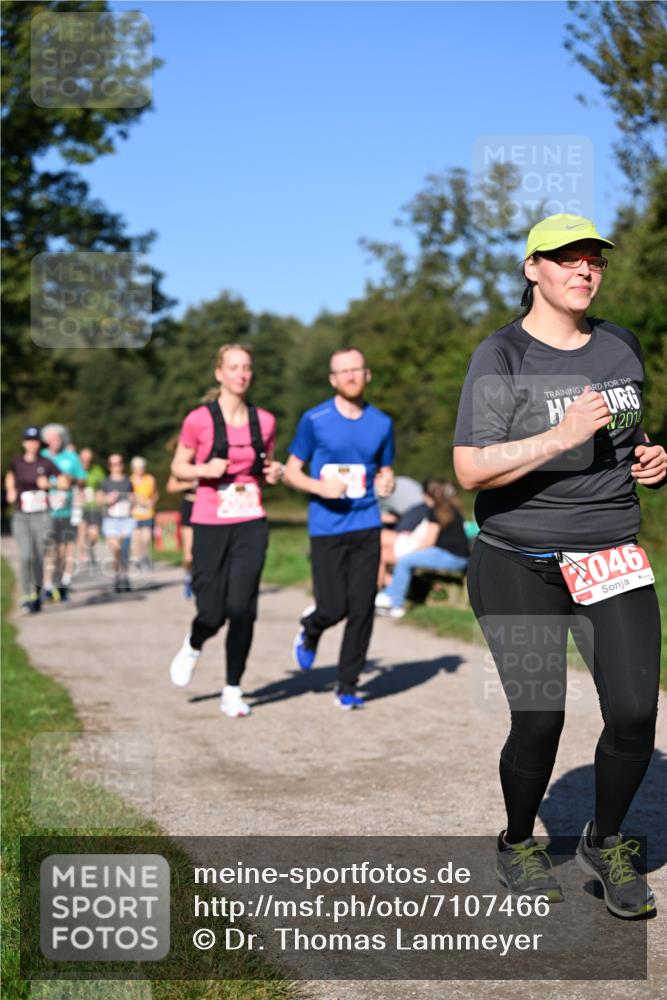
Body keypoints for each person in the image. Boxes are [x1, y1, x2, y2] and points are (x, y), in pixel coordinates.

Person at [453, 213, 665, 917]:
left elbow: (626, 436)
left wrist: (650, 457)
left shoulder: (618, 346)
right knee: (540, 715)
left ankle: (605, 842)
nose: (583, 270)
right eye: (566, 258)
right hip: (519, 559)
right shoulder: (502, 356)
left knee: (635, 713)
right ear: (531, 269)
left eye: (592, 261)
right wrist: (557, 435)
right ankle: (517, 841)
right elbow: (470, 468)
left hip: (608, 552)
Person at [168, 344, 283, 717]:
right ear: (219, 373)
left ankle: (233, 689)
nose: (241, 374)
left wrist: (273, 473)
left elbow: (265, 468)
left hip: (250, 521)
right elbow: (178, 468)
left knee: (243, 608)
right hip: (209, 521)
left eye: (247, 367)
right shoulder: (198, 420)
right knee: (213, 612)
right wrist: (203, 470)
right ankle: (194, 641)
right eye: (234, 367)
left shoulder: (264, 420)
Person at [283, 347, 395, 710]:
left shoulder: (382, 423)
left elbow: (385, 469)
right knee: (332, 607)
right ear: (333, 379)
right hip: (327, 525)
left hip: (366, 522)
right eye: (342, 371)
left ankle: (347, 685)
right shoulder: (314, 420)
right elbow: (290, 471)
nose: (349, 376)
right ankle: (311, 629)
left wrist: (386, 484)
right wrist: (319, 487)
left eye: (356, 369)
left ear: (368, 374)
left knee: (362, 608)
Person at [375, 479, 469, 616]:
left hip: (451, 556)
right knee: (403, 559)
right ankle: (392, 595)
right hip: (457, 555)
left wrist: (408, 552)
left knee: (405, 561)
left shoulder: (436, 511)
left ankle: (395, 604)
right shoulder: (450, 507)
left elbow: (428, 542)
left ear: (425, 494)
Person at [5, 427, 67, 613]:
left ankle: (38, 592)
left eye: (35, 440)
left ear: (39, 443)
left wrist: (50, 484)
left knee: (39, 555)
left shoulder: (46, 463)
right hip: (22, 516)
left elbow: (64, 481)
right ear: (24, 442)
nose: (32, 444)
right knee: (25, 556)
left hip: (42, 515)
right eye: (29, 440)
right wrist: (10, 490)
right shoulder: (17, 461)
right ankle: (26, 595)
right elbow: (10, 475)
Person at [40, 424, 87, 602]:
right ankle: (48, 585)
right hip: (45, 510)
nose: (54, 442)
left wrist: (71, 480)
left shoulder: (71, 457)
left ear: (62, 439)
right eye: (50, 439)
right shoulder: (42, 457)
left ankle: (62, 582)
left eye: (57, 438)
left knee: (64, 549)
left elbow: (82, 480)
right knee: (49, 549)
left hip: (66, 510)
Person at [97, 453, 135, 593]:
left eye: (118, 463)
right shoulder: (105, 482)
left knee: (124, 550)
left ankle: (125, 577)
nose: (116, 466)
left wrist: (131, 501)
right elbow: (99, 500)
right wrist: (108, 500)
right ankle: (117, 577)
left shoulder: (127, 481)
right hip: (111, 521)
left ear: (122, 464)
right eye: (113, 464)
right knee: (116, 550)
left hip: (125, 520)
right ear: (109, 466)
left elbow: (133, 499)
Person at [166, 461, 197, 599]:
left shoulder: (210, 457)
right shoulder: (184, 464)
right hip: (190, 505)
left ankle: (201, 581)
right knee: (188, 555)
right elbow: (171, 487)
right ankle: (188, 576)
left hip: (209, 507)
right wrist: (191, 484)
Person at [77, 447, 106, 568]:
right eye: (83, 460)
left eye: (88, 460)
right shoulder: (75, 470)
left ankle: (90, 545)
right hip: (79, 506)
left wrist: (100, 496)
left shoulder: (97, 470)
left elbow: (103, 486)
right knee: (82, 530)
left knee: (94, 533)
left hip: (93, 506)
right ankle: (83, 555)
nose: (86, 462)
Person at [130, 456, 159, 571]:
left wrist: (151, 502)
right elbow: (128, 496)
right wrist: (136, 500)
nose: (140, 470)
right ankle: (136, 559)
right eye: (137, 468)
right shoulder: (130, 480)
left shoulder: (150, 479)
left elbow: (155, 494)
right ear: (133, 469)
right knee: (135, 538)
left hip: (147, 513)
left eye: (141, 467)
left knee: (146, 538)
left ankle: (145, 557)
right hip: (134, 513)